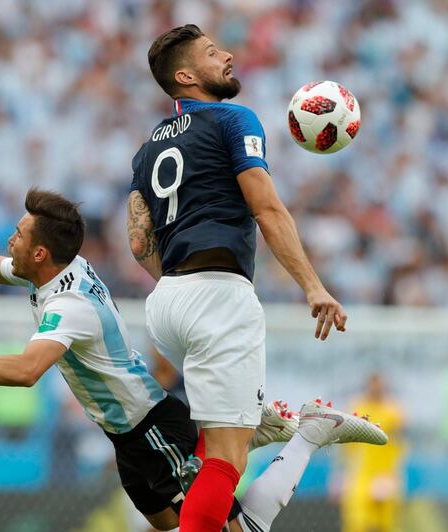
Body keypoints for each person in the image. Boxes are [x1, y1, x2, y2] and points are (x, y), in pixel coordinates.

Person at [0, 171, 385, 531]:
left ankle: (308, 433)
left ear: (41, 253)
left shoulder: (69, 306)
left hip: (153, 427)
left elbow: (28, 371)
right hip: (127, 436)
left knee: (229, 529)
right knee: (164, 522)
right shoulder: (54, 269)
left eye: (19, 234)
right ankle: (239, 440)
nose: (10, 240)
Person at [128, 24, 350, 531]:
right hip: (217, 296)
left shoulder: (145, 152)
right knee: (227, 461)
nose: (227, 55)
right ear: (185, 75)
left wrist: (180, 282)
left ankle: (249, 427)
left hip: (166, 304)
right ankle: (254, 438)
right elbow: (267, 208)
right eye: (212, 53)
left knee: (219, 442)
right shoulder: (233, 118)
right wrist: (313, 287)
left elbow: (139, 244)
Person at [339, 374, 405, 532]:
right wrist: (341, 474)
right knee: (356, 524)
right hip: (360, 478)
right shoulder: (357, 408)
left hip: (385, 475)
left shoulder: (394, 412)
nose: (376, 389)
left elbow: (399, 446)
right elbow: (346, 447)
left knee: (387, 524)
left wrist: (392, 477)